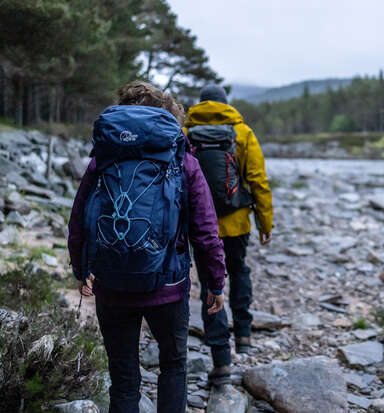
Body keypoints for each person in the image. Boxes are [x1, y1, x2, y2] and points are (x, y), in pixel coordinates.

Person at [68, 81, 226, 413]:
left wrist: (82, 270)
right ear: (167, 113)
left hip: (111, 284)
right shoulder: (181, 158)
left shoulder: (105, 157)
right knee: (173, 366)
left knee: (124, 380)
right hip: (167, 286)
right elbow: (205, 230)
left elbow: (79, 218)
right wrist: (215, 281)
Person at [183, 84, 273, 385]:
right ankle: (244, 335)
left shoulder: (185, 132)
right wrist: (265, 222)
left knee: (210, 283)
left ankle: (221, 360)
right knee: (238, 269)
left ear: (201, 104)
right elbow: (258, 180)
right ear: (225, 103)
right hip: (236, 223)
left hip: (200, 226)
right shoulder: (242, 132)